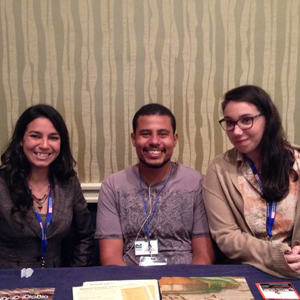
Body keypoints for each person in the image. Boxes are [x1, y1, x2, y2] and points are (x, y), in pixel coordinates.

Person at [95, 103, 215, 266]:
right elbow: (110, 258)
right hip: (131, 281)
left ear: (174, 139)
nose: (154, 141)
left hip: (185, 280)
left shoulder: (196, 184)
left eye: (163, 134)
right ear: (133, 139)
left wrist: (184, 287)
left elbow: (204, 256)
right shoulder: (113, 186)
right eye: (145, 134)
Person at [203, 85, 300, 278]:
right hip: (246, 269)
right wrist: (278, 255)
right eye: (230, 123)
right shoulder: (219, 170)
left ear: (267, 118)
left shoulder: (297, 162)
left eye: (246, 120)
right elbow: (226, 236)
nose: (236, 131)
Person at [0, 104, 94, 268]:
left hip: (55, 279)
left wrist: (76, 273)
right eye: (35, 136)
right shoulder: (2, 183)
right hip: (8, 282)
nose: (44, 145)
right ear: (21, 140)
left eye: (53, 137)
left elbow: (85, 236)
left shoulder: (68, 182)